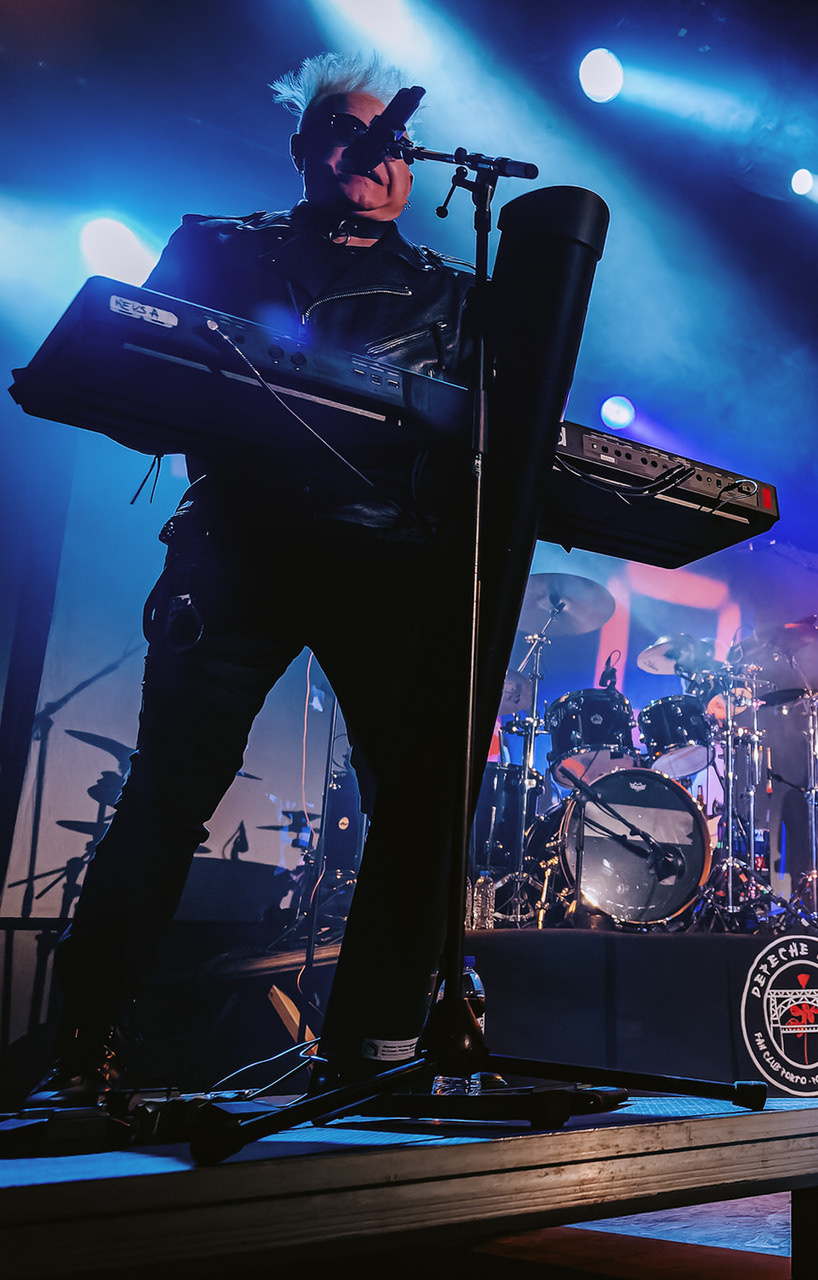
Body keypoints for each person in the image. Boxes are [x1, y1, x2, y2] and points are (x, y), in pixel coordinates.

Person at [31, 53, 476, 1104]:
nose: (373, 152)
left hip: (385, 560)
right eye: (348, 130)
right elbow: (131, 375)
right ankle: (85, 1043)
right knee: (167, 795)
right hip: (236, 550)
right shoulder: (216, 246)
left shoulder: (453, 295)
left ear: (412, 170)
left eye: (393, 141)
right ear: (303, 148)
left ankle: (399, 1031)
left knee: (415, 802)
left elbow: (477, 453)